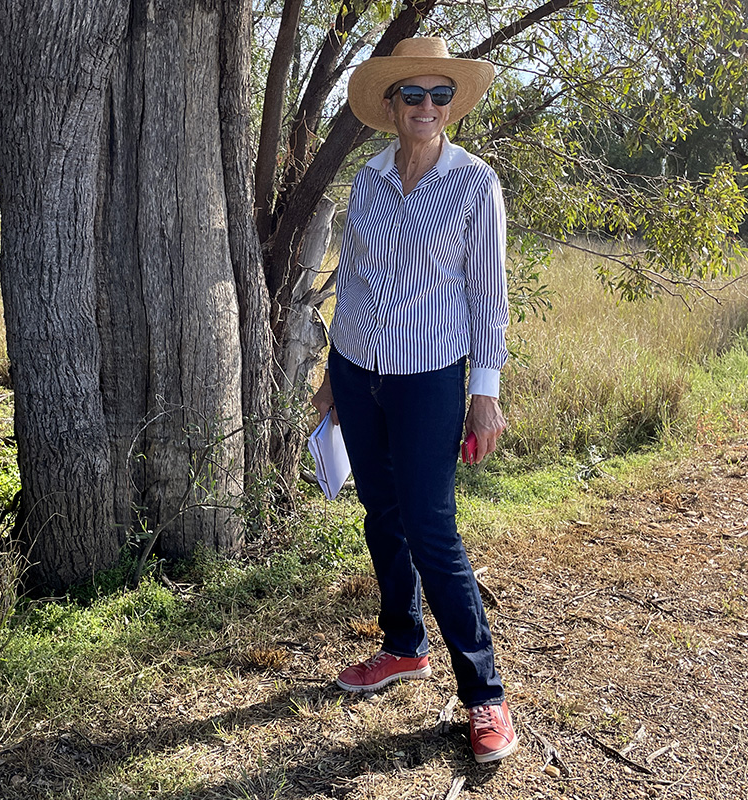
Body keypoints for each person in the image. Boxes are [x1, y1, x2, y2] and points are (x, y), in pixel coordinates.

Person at [311, 36, 516, 764]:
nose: (426, 108)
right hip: (358, 367)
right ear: (391, 106)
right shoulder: (367, 181)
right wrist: (333, 375)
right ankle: (403, 646)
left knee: (432, 529)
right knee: (382, 512)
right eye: (412, 96)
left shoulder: (473, 185)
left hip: (431, 377)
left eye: (439, 96)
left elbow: (490, 301)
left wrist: (483, 395)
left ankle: (485, 695)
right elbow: (354, 279)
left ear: (450, 106)